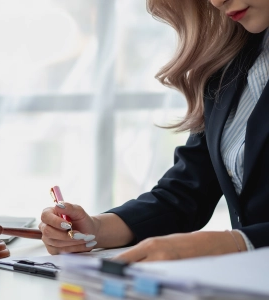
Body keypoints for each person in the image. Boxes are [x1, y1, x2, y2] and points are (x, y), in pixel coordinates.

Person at [39, 0, 269, 262]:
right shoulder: (231, 63)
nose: (216, 1)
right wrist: (96, 229)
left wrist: (235, 243)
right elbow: (186, 193)